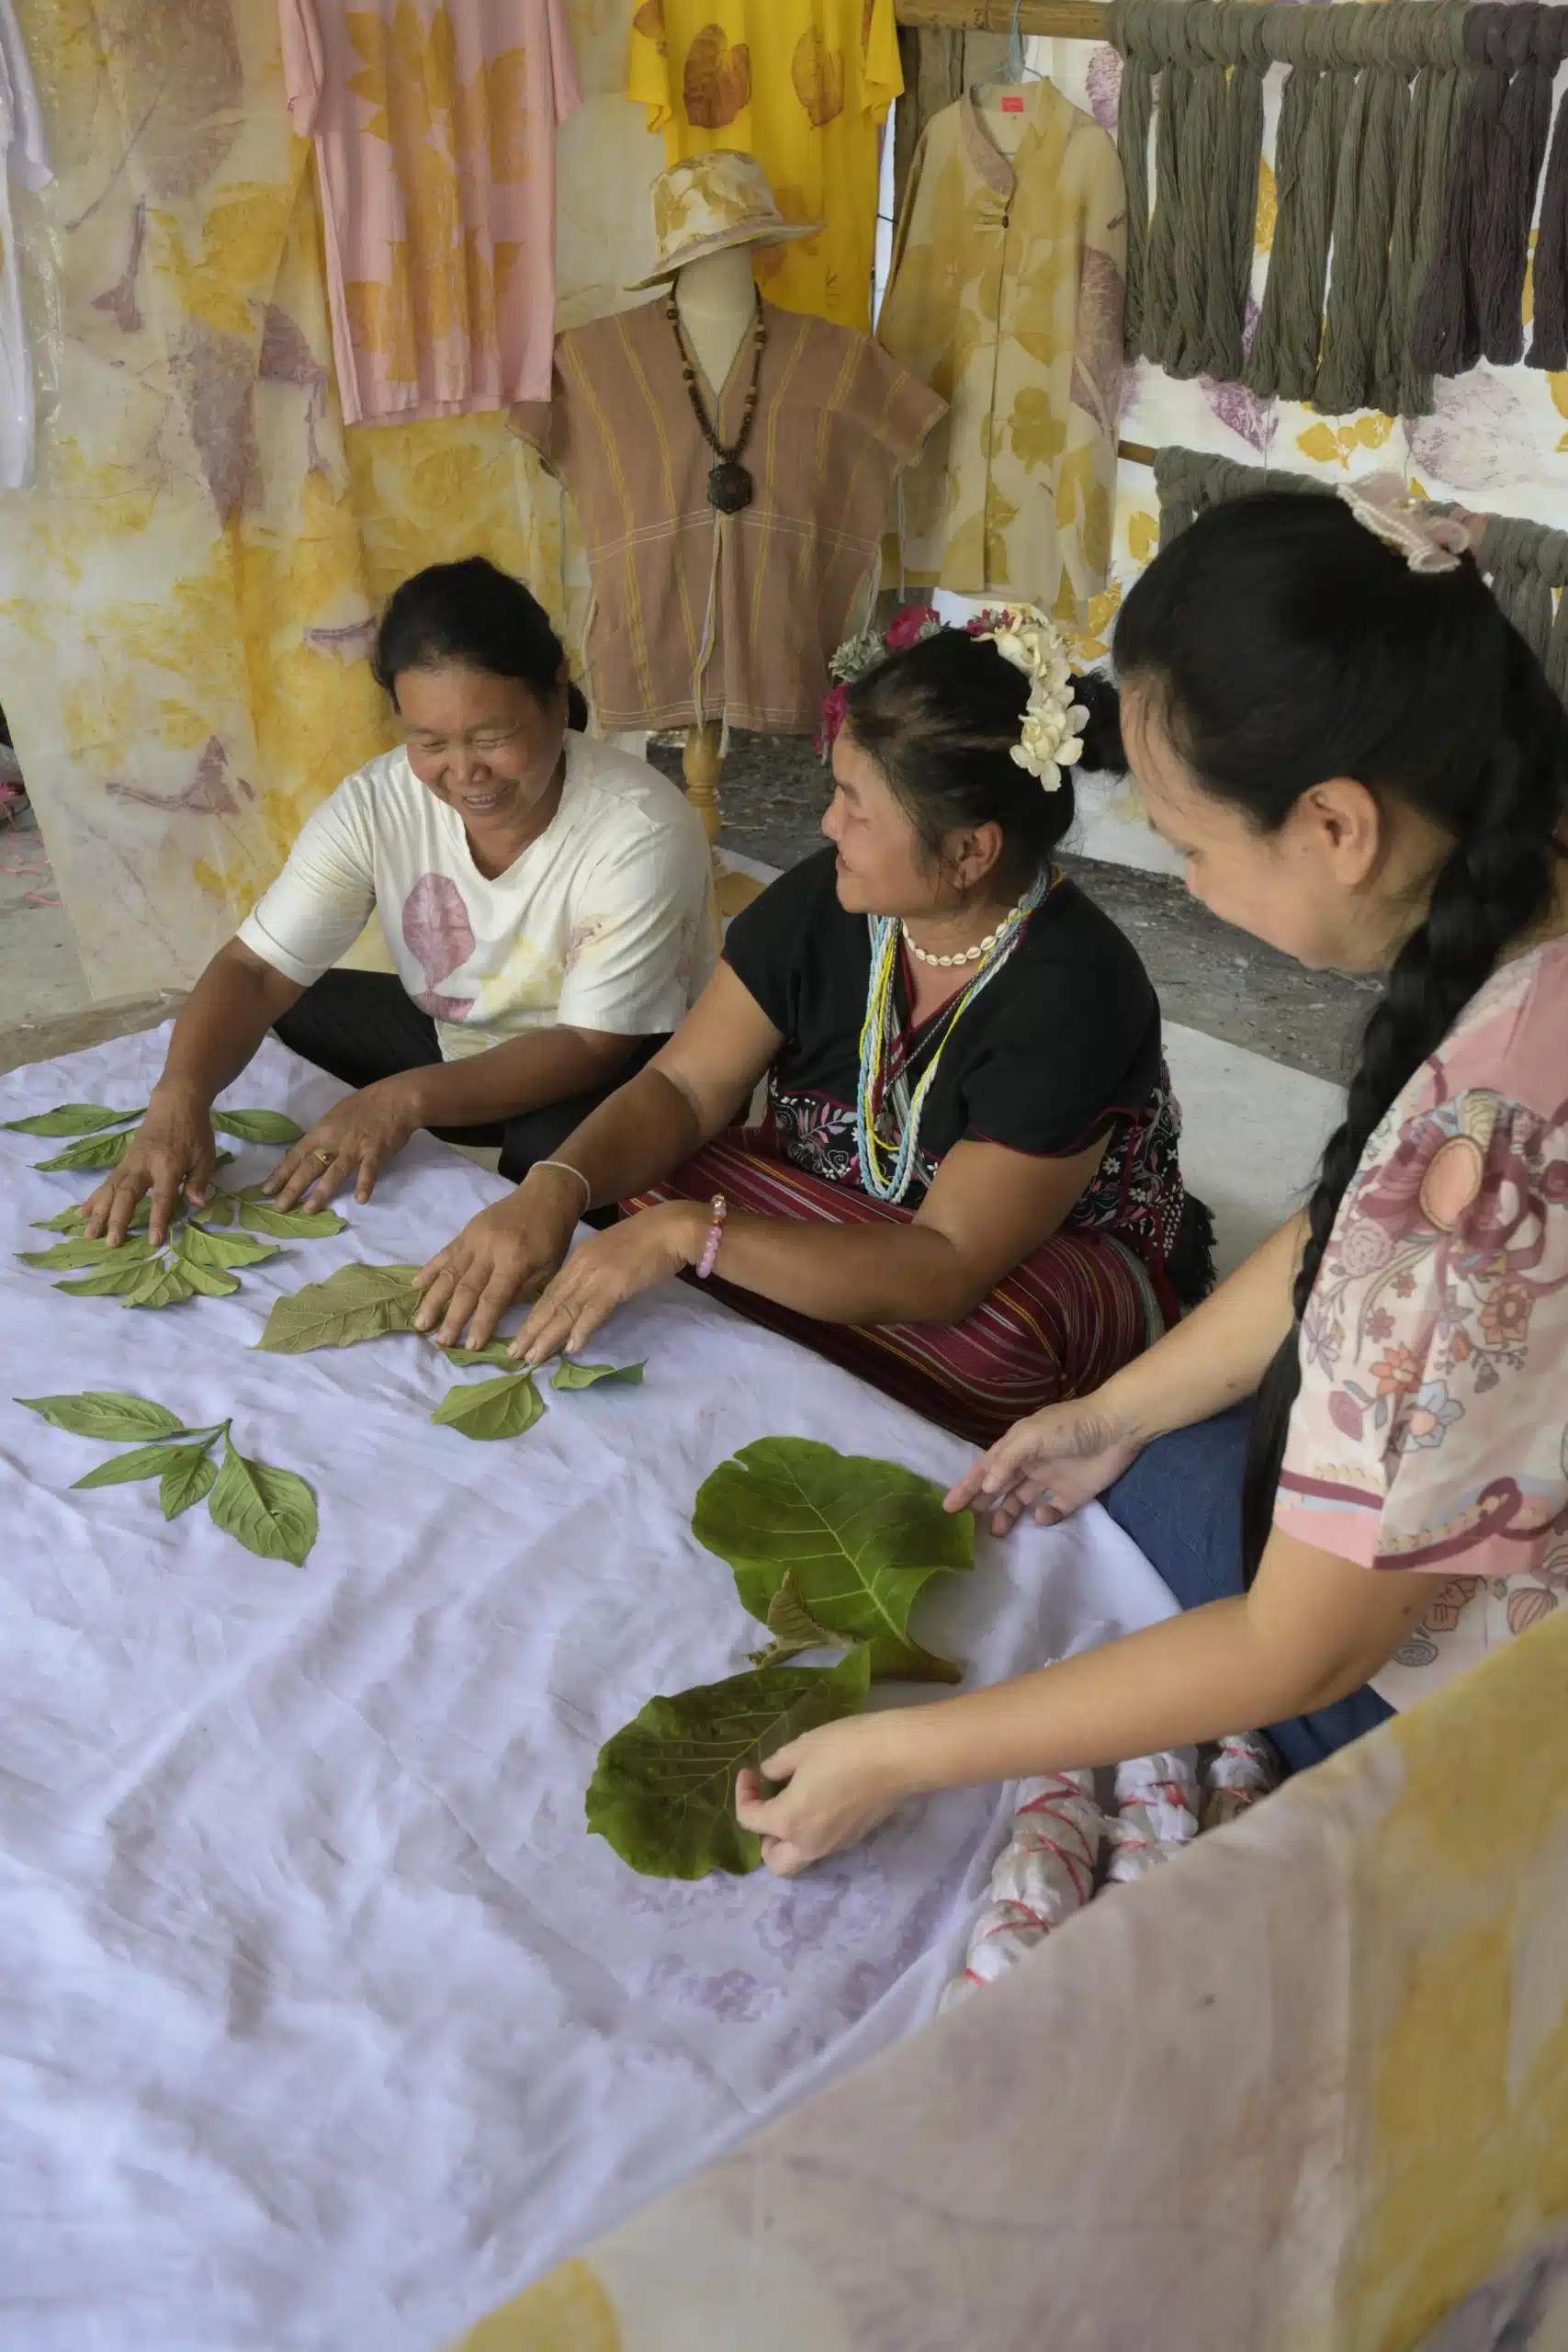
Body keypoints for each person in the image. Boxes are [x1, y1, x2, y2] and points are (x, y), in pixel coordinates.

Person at [726, 479, 1568, 1875]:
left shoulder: (1469, 1167)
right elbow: (1346, 1220)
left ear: (1334, 825)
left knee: (1069, 1613)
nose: (1185, 884)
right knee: (1113, 1468)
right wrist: (1107, 1412)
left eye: (1186, 850)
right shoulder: (1518, 907)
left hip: (1490, 1700)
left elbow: (1299, 1646)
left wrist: (897, 1751)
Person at [411, 605, 1213, 1443]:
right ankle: (794, 1321)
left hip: (1001, 1262)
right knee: (622, 1174)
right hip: (835, 1199)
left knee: (998, 1347)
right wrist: (556, 1186)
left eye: (857, 809)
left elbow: (947, 1265)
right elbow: (685, 1087)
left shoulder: (1074, 993)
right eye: (837, 792)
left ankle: (779, 1314)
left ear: (970, 852)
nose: (829, 825)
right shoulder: (828, 900)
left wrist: (695, 1236)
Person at [84, 558, 716, 1248]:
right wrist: (178, 1100)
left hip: (622, 1063)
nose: (465, 772)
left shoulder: (637, 829)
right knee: (278, 1016)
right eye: (431, 742)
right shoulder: (377, 803)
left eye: (490, 737)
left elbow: (590, 1044)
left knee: (547, 1163)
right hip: (463, 1037)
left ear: (557, 697)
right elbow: (257, 970)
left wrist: (398, 1101)